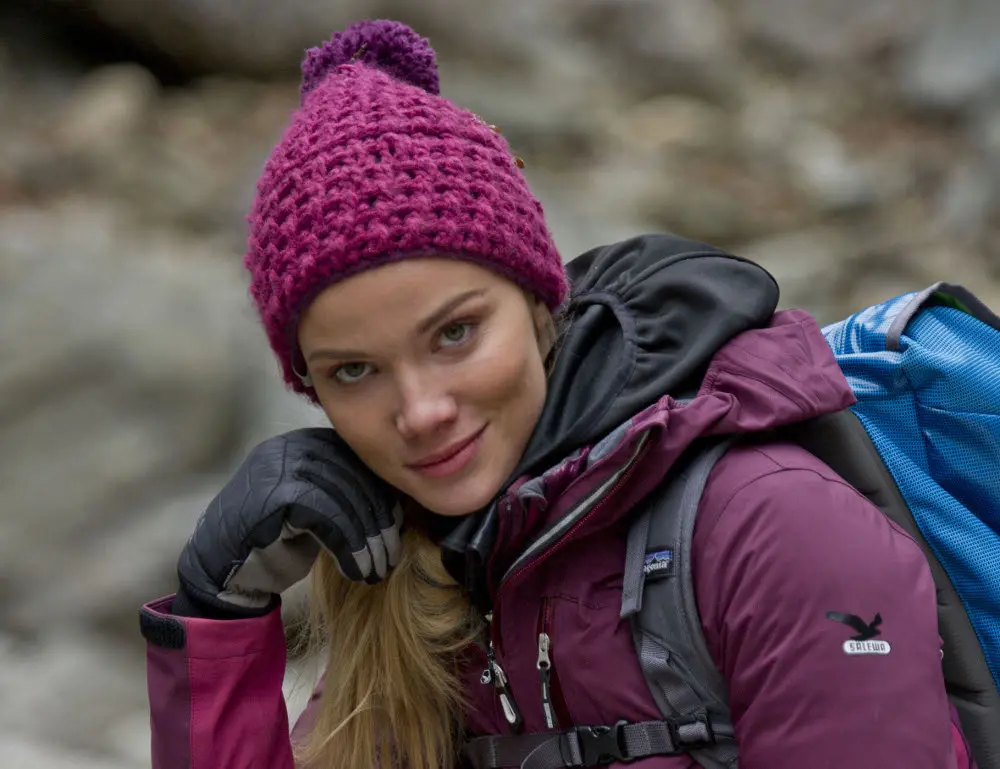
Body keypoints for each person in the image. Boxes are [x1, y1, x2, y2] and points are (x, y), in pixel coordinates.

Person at [140, 19, 973, 769]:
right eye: (354, 370)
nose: (422, 409)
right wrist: (219, 615)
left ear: (542, 302)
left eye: (455, 333)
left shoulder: (775, 529)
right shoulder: (418, 593)